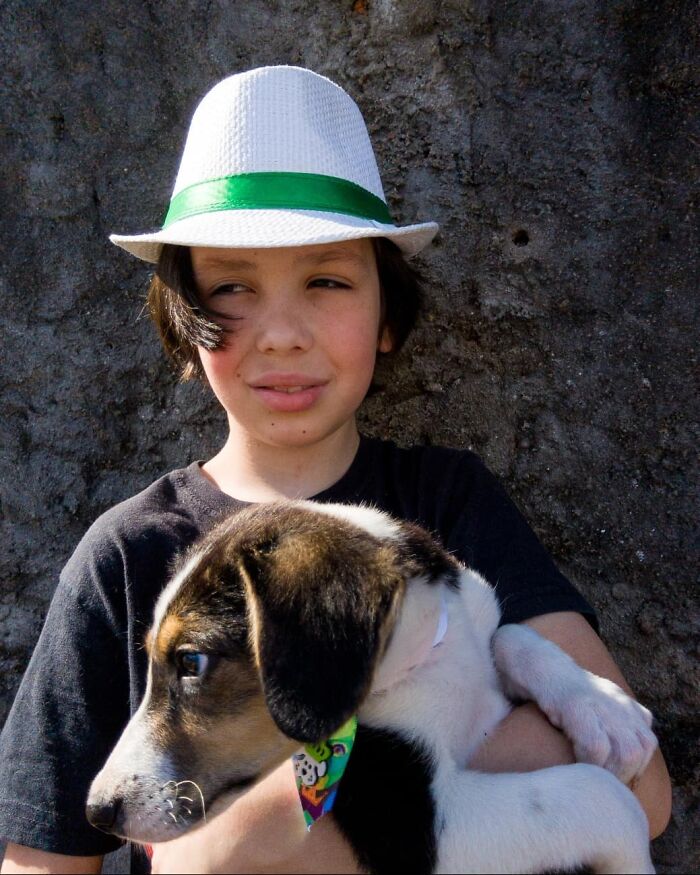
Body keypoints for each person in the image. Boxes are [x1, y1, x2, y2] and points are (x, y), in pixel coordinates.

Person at [0, 66, 671, 875]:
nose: (282, 333)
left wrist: (266, 830)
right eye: (231, 287)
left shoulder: (448, 504)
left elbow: (638, 781)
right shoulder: (128, 556)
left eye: (325, 279)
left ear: (387, 314)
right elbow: (41, 862)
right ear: (184, 322)